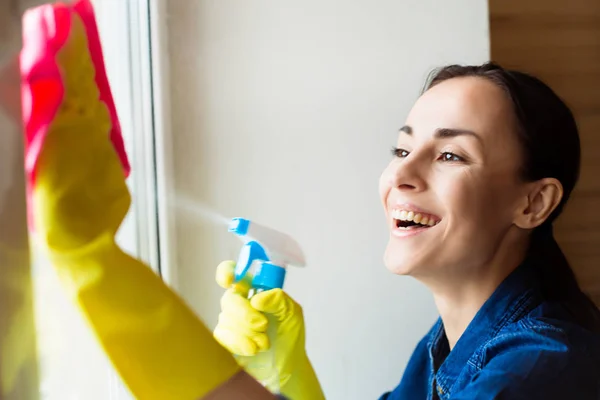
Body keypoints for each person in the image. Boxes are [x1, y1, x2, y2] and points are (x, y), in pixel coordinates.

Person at [213, 62, 600, 399]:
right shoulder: (444, 345)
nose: (399, 174)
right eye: (401, 150)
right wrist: (285, 374)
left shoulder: (540, 368)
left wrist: (209, 378)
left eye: (450, 155)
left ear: (533, 203)